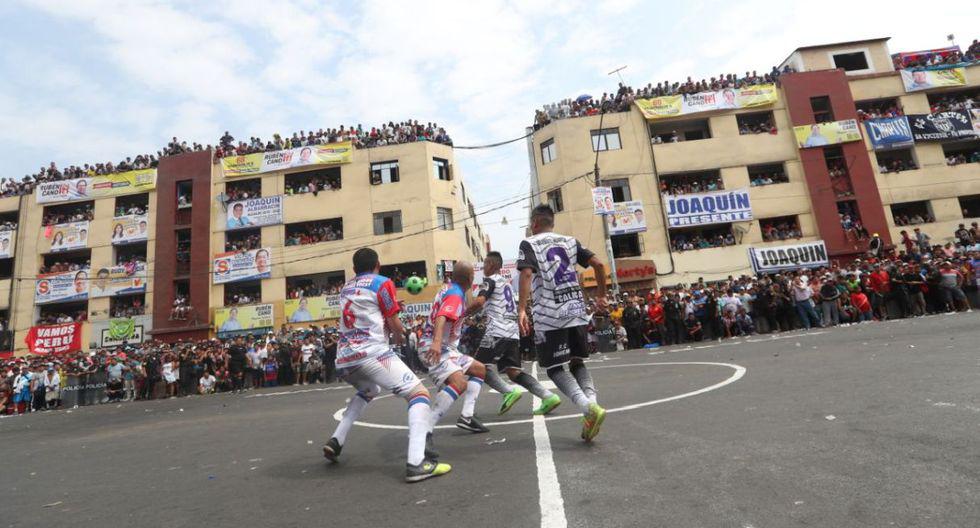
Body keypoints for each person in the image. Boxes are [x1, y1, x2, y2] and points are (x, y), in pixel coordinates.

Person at [322, 248, 449, 483]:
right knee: (419, 395)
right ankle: (416, 462)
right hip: (371, 353)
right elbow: (394, 324)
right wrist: (402, 332)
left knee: (370, 390)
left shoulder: (346, 288)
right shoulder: (383, 283)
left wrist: (390, 312)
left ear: (354, 269)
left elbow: (369, 312)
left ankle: (336, 440)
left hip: (344, 358)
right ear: (378, 265)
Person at [517, 204, 608, 442]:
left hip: (550, 315)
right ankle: (593, 404)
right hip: (576, 310)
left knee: (555, 368)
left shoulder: (530, 243)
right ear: (551, 222)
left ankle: (588, 408)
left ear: (535, 223)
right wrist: (601, 295)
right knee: (577, 361)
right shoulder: (570, 241)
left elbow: (526, 274)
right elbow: (599, 264)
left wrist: (522, 309)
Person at [468, 251, 560, 416]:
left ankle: (505, 392)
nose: (483, 268)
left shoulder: (489, 280)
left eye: (484, 264)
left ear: (491, 265)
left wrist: (462, 315)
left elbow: (480, 301)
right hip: (511, 332)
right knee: (513, 372)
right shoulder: (507, 284)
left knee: (478, 367)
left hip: (497, 330)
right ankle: (548, 396)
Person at [417, 261, 490, 435]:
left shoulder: (449, 289)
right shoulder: (456, 294)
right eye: (473, 275)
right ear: (470, 278)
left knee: (479, 370)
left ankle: (466, 416)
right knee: (459, 382)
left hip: (447, 349)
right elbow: (442, 316)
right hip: (434, 347)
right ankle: (424, 430)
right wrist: (436, 342)